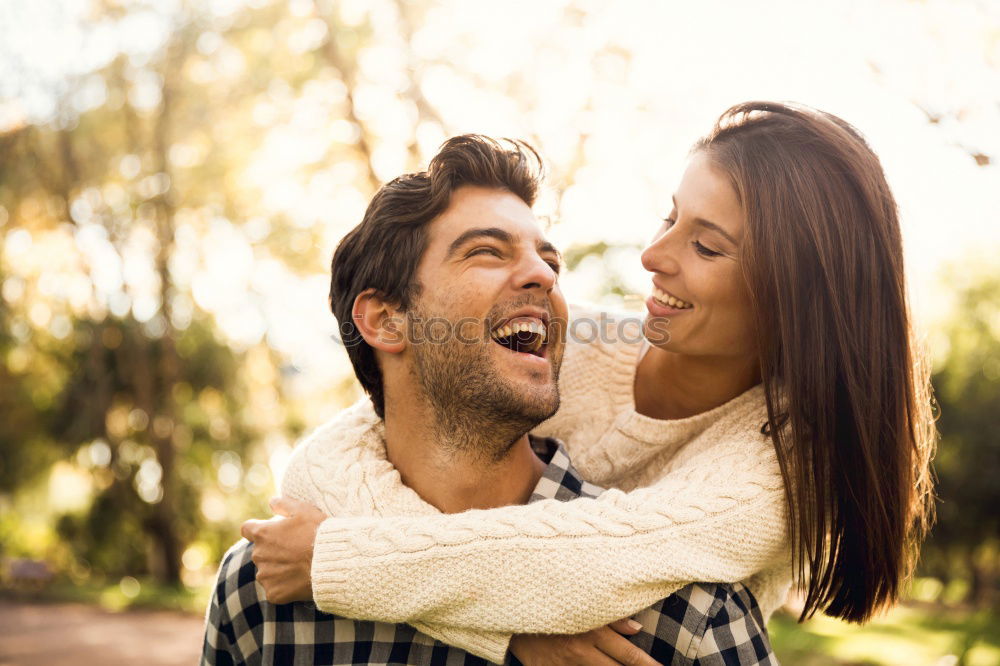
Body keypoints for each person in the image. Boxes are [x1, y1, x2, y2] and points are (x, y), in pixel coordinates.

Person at [244, 102, 936, 665]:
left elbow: (590, 567)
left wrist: (337, 562)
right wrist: (506, 629)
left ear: (791, 300)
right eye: (671, 217)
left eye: (706, 245)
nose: (652, 255)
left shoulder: (775, 469)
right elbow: (344, 446)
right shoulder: (566, 346)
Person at [204, 134, 775, 665]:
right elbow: (331, 449)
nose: (545, 277)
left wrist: (339, 564)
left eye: (551, 262)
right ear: (385, 320)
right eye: (487, 252)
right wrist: (504, 628)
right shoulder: (261, 593)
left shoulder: (687, 619)